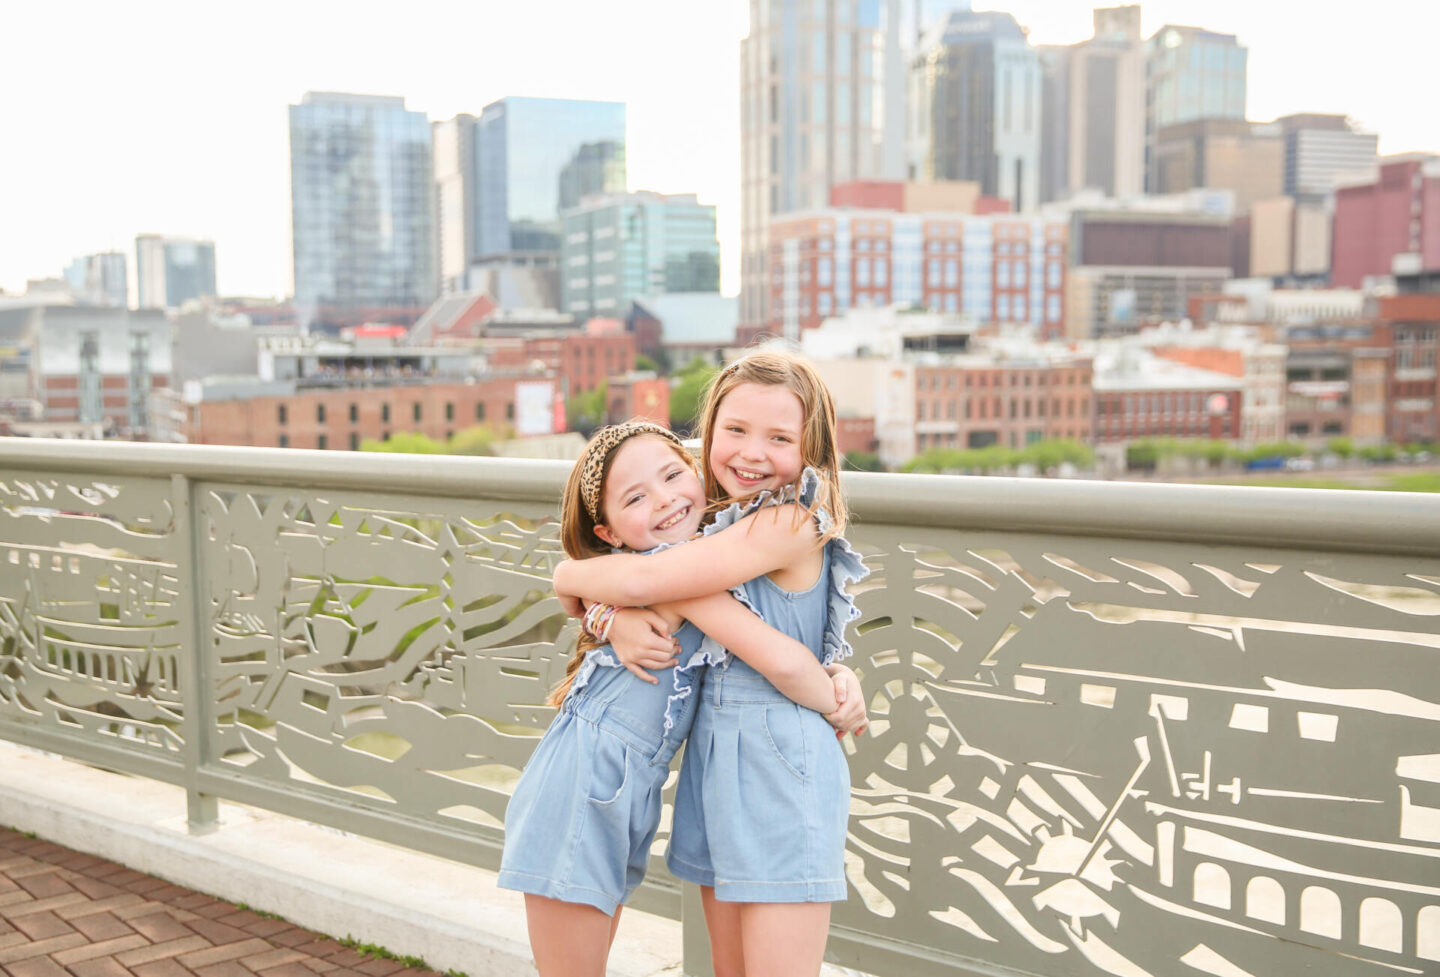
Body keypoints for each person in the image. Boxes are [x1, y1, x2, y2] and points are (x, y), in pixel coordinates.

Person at [498, 421, 866, 977]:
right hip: (581, 783)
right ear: (611, 531)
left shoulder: (681, 566)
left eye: (674, 475)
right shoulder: (680, 578)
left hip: (620, 786)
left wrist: (841, 670)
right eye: (637, 497)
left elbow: (783, 626)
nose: (666, 499)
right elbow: (780, 658)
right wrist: (836, 699)